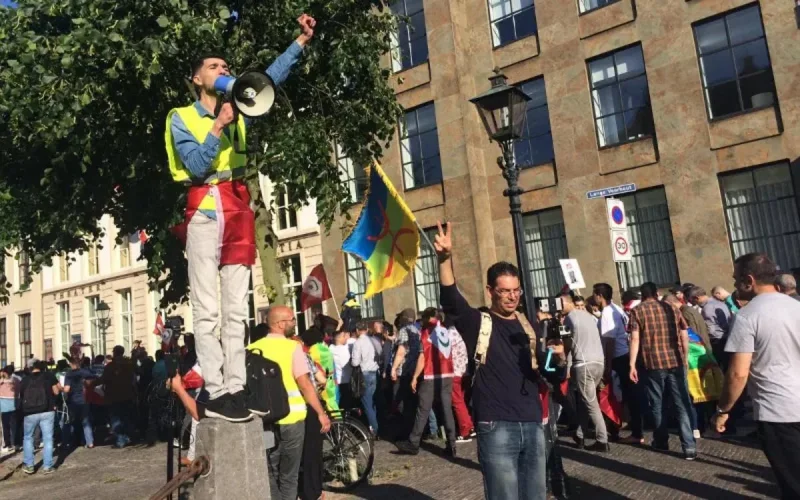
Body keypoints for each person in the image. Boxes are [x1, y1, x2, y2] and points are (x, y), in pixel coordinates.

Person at [164, 14, 315, 422]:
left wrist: (300, 42)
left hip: (236, 205)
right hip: (203, 209)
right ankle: (215, 387)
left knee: (236, 306)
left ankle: (237, 384)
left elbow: (268, 79)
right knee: (207, 305)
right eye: (214, 66)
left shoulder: (239, 106)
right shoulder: (182, 117)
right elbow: (195, 166)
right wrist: (217, 127)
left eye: (225, 66)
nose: (224, 70)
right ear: (196, 79)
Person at [432, 221, 564, 500]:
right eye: (505, 291)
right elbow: (451, 300)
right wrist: (444, 259)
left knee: (535, 496)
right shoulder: (478, 322)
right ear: (490, 291)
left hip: (532, 423)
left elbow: (551, 373)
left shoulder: (529, 325)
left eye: (516, 290)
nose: (512, 296)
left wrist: (558, 357)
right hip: (496, 425)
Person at [713, 253, 800, 499]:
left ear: (749, 280)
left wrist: (723, 410)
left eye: (736, 279)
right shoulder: (797, 306)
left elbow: (738, 373)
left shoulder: (748, 315)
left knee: (792, 483)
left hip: (778, 410)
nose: (733, 285)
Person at [247, 305, 331, 500]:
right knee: (289, 474)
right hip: (292, 418)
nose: (295, 323)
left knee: (270, 469)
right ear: (280, 323)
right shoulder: (292, 347)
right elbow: (304, 384)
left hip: (265, 419)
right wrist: (320, 412)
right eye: (292, 320)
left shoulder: (252, 349)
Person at [629, 282, 696, 460]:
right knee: (681, 402)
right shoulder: (671, 308)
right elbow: (684, 332)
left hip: (653, 363)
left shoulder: (637, 311)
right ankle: (689, 446)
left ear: (642, 295)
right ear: (657, 293)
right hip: (675, 360)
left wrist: (632, 364)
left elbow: (635, 339)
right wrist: (685, 356)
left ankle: (661, 440)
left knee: (656, 403)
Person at [396, 308, 459, 456]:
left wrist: (415, 377)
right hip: (447, 373)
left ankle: (414, 442)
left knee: (423, 408)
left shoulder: (427, 332)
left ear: (429, 318)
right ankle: (452, 443)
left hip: (431, 374)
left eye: (423, 317)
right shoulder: (445, 330)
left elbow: (423, 357)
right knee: (446, 409)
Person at [594, 282, 643, 444]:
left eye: (595, 294)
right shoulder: (617, 309)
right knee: (629, 395)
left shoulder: (608, 313)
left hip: (618, 357)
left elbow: (609, 341)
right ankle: (633, 429)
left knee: (621, 396)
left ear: (599, 296)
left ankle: (633, 431)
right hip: (624, 354)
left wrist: (607, 365)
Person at [562, 293, 608, 452]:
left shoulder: (569, 319)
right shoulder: (588, 316)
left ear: (566, 303)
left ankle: (602, 440)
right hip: (598, 362)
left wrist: (565, 366)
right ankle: (580, 434)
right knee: (584, 400)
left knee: (590, 402)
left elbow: (566, 344)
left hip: (583, 364)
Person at [19, 361, 61, 474]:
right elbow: (56, 391)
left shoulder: (25, 380)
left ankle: (29, 465)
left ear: (31, 368)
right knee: (47, 438)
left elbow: (21, 396)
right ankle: (47, 466)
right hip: (47, 411)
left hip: (29, 413)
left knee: (28, 437)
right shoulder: (49, 376)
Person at [95, 345, 136, 448]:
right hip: (127, 394)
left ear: (115, 353)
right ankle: (128, 437)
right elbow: (133, 379)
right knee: (126, 417)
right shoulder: (129, 365)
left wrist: (93, 383)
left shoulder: (110, 366)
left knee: (115, 418)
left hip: (113, 396)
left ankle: (121, 439)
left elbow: (103, 379)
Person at [350, 321, 380, 435]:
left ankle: (374, 429)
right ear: (367, 329)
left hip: (364, 374)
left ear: (357, 331)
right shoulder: (372, 340)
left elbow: (355, 362)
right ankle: (374, 425)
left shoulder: (358, 343)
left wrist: (351, 363)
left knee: (366, 403)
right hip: (374, 372)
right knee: (372, 402)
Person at [62, 357, 96, 449]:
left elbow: (66, 389)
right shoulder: (85, 372)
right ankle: (90, 442)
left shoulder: (69, 374)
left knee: (74, 421)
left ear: (71, 364)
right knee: (86, 421)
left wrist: (61, 389)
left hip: (73, 400)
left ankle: (76, 441)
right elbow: (95, 379)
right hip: (85, 399)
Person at [329, 330, 352, 408]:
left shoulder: (331, 348)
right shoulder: (344, 349)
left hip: (338, 381)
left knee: (342, 402)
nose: (346, 338)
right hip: (346, 380)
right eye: (343, 336)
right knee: (347, 402)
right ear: (338, 338)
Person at [0, 365, 19, 453]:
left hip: (4, 407)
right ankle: (16, 443)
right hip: (15, 404)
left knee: (5, 427)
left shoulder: (2, 381)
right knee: (14, 426)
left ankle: (7, 444)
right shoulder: (17, 379)